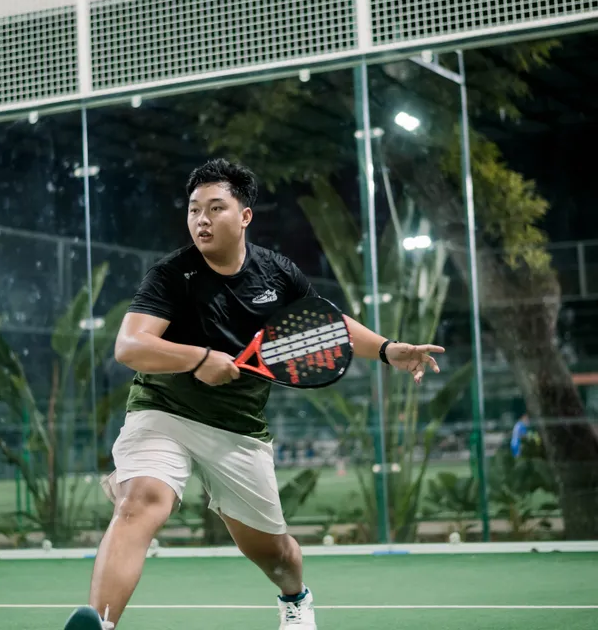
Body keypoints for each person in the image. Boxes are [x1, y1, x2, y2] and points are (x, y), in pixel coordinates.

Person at [64, 158, 444, 630]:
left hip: (238, 428)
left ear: (244, 215)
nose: (201, 220)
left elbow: (325, 324)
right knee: (139, 501)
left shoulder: (277, 273)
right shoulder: (171, 275)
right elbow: (130, 346)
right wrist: (199, 359)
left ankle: (295, 598)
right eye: (194, 209)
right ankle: (101, 626)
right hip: (163, 412)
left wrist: (387, 349)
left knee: (273, 554)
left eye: (215, 208)